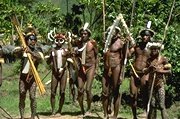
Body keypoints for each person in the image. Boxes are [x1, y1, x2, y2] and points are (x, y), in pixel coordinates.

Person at [102, 26, 133, 119]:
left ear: (117, 33)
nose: (112, 34)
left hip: (117, 66)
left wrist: (127, 44)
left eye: (114, 32)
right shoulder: (106, 42)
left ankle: (115, 115)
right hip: (106, 67)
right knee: (104, 92)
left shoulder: (121, 42)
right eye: (110, 32)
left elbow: (127, 55)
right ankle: (105, 113)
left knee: (116, 91)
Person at [13, 26, 44, 119]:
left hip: (33, 78)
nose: (32, 41)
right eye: (30, 39)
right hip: (23, 77)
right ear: (26, 40)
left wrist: (31, 52)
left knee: (32, 97)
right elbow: (14, 53)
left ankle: (33, 116)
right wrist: (22, 49)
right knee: (22, 94)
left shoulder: (38, 50)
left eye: (34, 39)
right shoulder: (23, 50)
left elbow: (40, 58)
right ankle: (22, 116)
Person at [129, 28, 155, 119]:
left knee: (144, 92)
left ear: (150, 37)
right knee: (132, 95)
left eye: (147, 35)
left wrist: (149, 69)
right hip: (134, 72)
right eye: (143, 35)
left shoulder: (152, 48)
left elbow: (156, 60)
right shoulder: (137, 46)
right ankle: (134, 116)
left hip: (145, 73)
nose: (144, 37)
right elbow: (128, 55)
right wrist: (128, 46)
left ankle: (146, 112)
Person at [74, 24, 98, 116]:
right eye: (82, 34)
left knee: (88, 89)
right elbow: (74, 52)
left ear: (88, 35)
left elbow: (96, 55)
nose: (83, 35)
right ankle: (82, 109)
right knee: (80, 90)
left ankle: (89, 108)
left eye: (85, 34)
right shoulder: (78, 43)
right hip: (81, 67)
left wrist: (96, 68)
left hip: (90, 67)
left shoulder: (92, 43)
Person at [143, 42, 171, 119]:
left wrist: (159, 71)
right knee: (152, 105)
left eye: (155, 49)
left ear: (159, 50)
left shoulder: (163, 59)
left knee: (162, 105)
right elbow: (144, 71)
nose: (153, 51)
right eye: (152, 49)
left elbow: (169, 71)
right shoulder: (149, 60)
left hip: (160, 84)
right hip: (151, 84)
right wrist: (149, 68)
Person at [46, 33, 69, 115]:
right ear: (55, 41)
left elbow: (71, 59)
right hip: (54, 73)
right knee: (53, 92)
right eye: (57, 40)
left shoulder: (66, 51)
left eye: (61, 40)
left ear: (63, 41)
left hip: (64, 72)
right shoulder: (53, 50)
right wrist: (50, 57)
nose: (59, 42)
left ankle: (60, 110)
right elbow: (48, 62)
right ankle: (53, 110)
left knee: (62, 92)